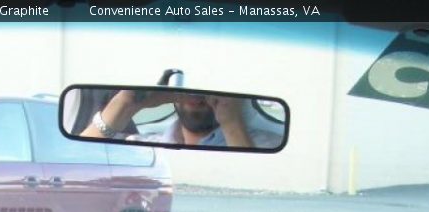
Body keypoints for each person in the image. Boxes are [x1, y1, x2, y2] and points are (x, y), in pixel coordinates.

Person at [80, 89, 282, 149]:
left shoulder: (265, 144)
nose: (197, 96)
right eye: (187, 89)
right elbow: (78, 156)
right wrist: (127, 102)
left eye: (208, 88)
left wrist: (231, 121)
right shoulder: (143, 146)